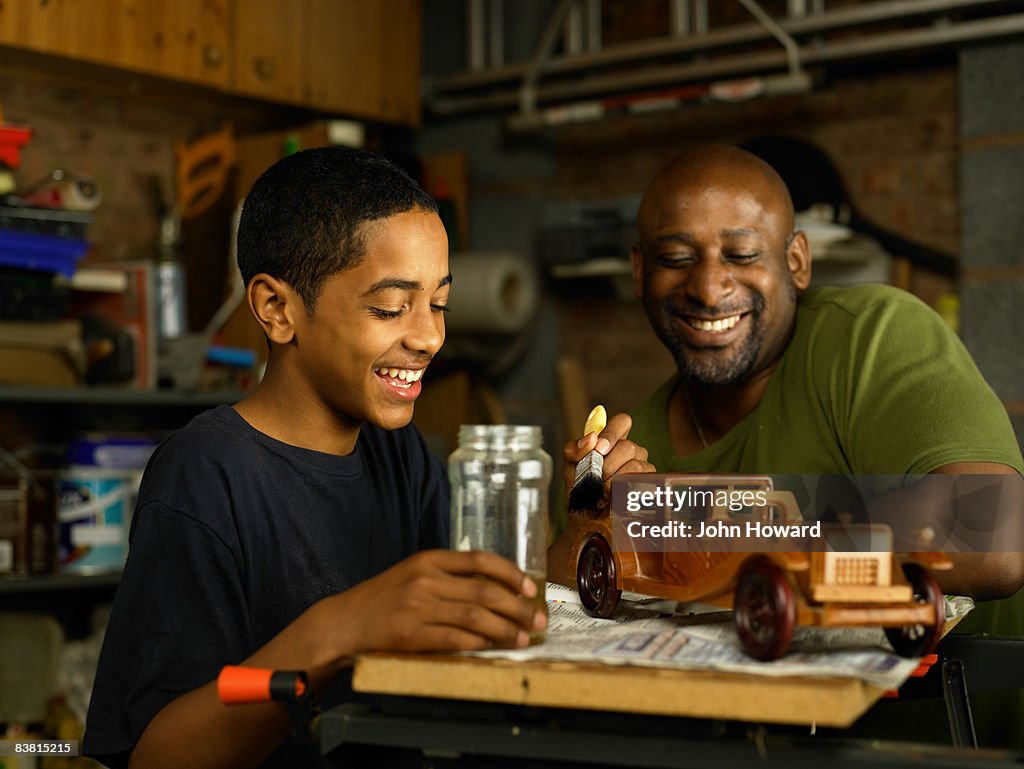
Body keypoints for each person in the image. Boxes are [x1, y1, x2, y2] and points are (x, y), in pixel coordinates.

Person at [83, 147, 548, 769]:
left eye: (438, 302)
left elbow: (486, 618)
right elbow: (158, 753)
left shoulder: (397, 451)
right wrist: (338, 630)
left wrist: (589, 517)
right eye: (389, 307)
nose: (429, 336)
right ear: (278, 309)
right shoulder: (207, 474)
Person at [557, 144, 1023, 745]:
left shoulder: (872, 336)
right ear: (640, 271)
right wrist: (584, 527)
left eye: (743, 253)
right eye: (676, 257)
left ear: (796, 262)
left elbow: (998, 532)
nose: (707, 286)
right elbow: (552, 596)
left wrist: (745, 532)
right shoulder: (630, 443)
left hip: (972, 746)